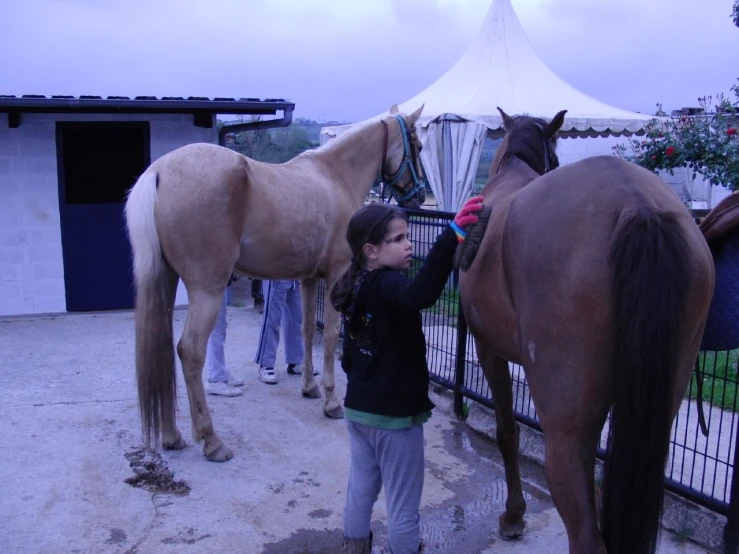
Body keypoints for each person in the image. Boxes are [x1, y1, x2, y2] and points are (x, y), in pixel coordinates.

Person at [330, 198, 484, 554]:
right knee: (403, 506)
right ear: (370, 251)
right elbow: (421, 294)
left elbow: (350, 356)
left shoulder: (355, 285)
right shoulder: (387, 285)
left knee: (361, 489)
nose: (408, 244)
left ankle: (355, 547)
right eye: (398, 239)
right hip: (393, 419)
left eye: (407, 236)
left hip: (359, 411)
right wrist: (450, 238)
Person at [254, 279, 316, 384]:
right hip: (276, 272)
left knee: (297, 318)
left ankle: (296, 361)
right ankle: (266, 364)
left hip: (296, 274)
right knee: (272, 317)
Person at [205, 275, 245, 397]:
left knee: (219, 326)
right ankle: (216, 378)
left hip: (218, 279)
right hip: (213, 278)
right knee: (216, 327)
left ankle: (220, 372)